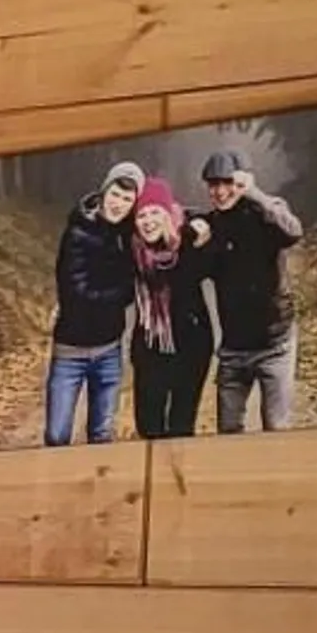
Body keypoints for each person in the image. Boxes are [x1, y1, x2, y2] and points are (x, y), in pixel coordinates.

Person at [196, 147, 305, 431]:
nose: (220, 192)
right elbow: (198, 271)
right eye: (213, 184)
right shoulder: (212, 225)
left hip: (275, 345)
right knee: (229, 431)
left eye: (228, 183)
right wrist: (199, 243)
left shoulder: (267, 212)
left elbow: (293, 231)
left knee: (276, 429)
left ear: (244, 182)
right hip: (233, 348)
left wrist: (254, 193)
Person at [43, 161, 138, 444]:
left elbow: (167, 214)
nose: (118, 204)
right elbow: (75, 293)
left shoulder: (128, 233)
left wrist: (199, 220)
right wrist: (122, 294)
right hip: (70, 351)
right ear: (104, 192)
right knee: (57, 435)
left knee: (101, 435)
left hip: (109, 350)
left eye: (127, 199)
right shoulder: (78, 231)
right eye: (115, 195)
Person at [126, 172, 218, 438]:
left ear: (168, 214)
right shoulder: (131, 250)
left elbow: (217, 230)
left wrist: (200, 226)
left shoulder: (189, 240)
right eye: (141, 215)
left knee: (181, 427)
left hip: (192, 345)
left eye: (155, 212)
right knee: (148, 426)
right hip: (150, 346)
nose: (148, 222)